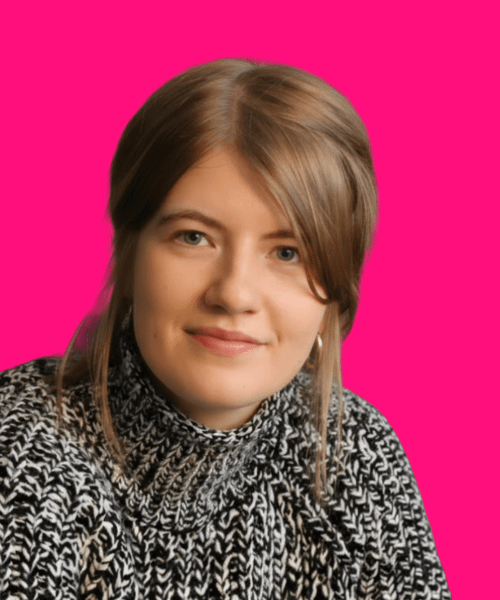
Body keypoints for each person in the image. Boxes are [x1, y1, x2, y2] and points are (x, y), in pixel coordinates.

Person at [0, 58, 451, 599]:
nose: (234, 294)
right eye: (193, 237)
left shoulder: (357, 454)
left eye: (288, 252)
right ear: (129, 255)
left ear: (335, 290)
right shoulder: (22, 456)